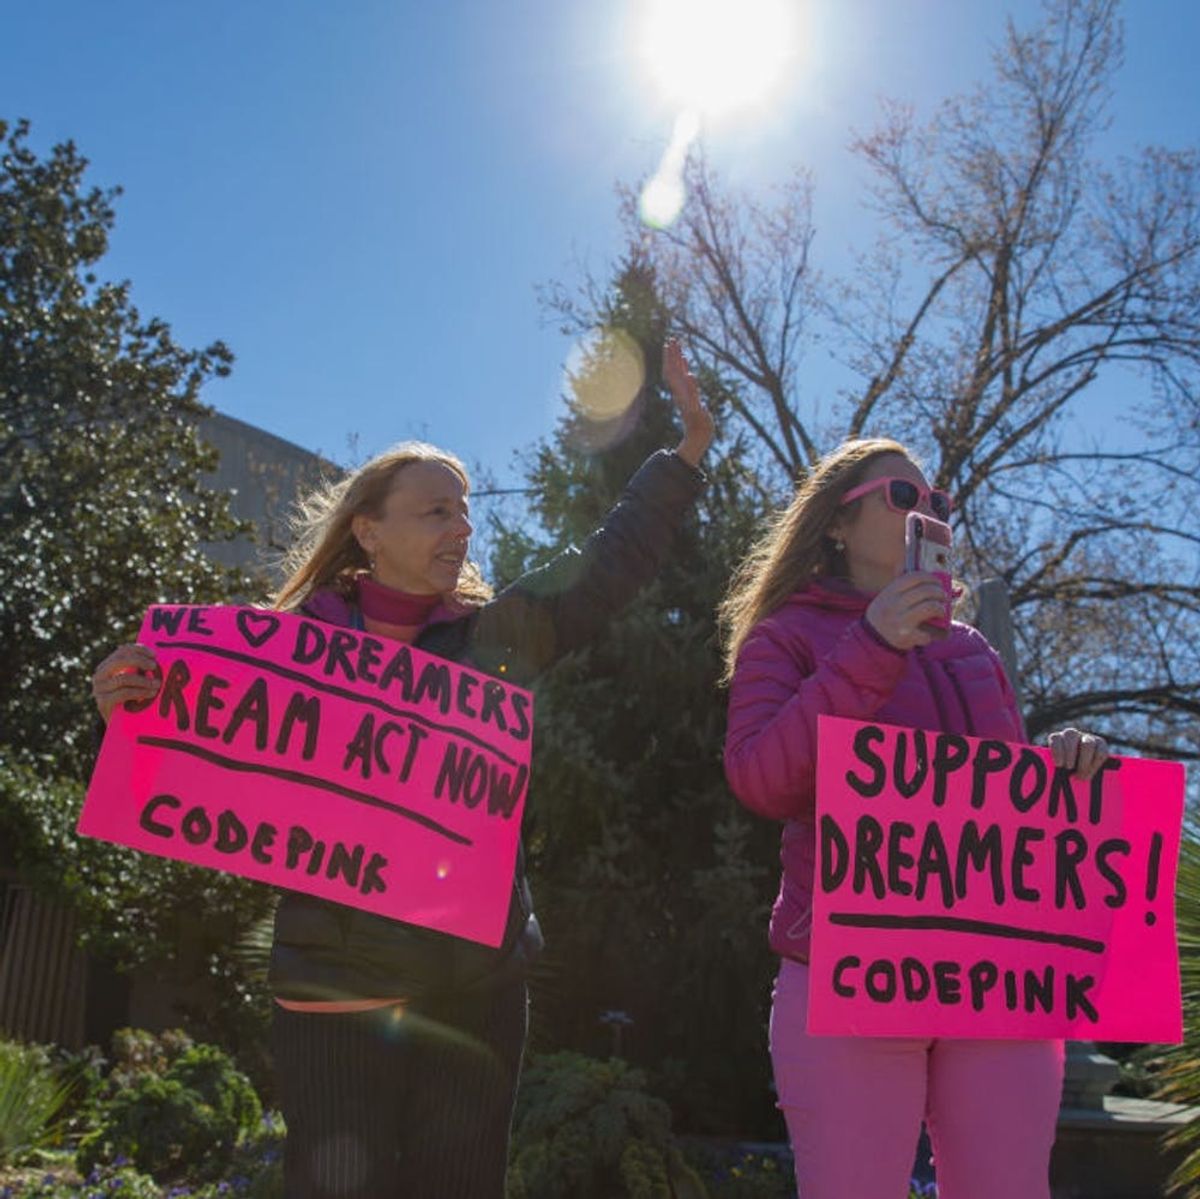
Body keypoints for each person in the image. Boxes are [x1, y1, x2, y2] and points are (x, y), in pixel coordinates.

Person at [91, 340, 714, 1199]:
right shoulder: (278, 657)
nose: (461, 527)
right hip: (333, 985)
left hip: (473, 988)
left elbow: (606, 567)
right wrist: (132, 698)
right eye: (434, 511)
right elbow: (182, 740)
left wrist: (681, 457)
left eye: (464, 512)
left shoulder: (497, 642)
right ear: (368, 529)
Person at [720, 437, 1109, 1199]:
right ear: (836, 522)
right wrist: (873, 645)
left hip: (996, 979)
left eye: (937, 504)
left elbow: (1006, 811)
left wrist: (1062, 767)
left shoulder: (974, 651)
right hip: (851, 970)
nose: (926, 513)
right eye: (904, 497)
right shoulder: (786, 636)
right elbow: (761, 777)